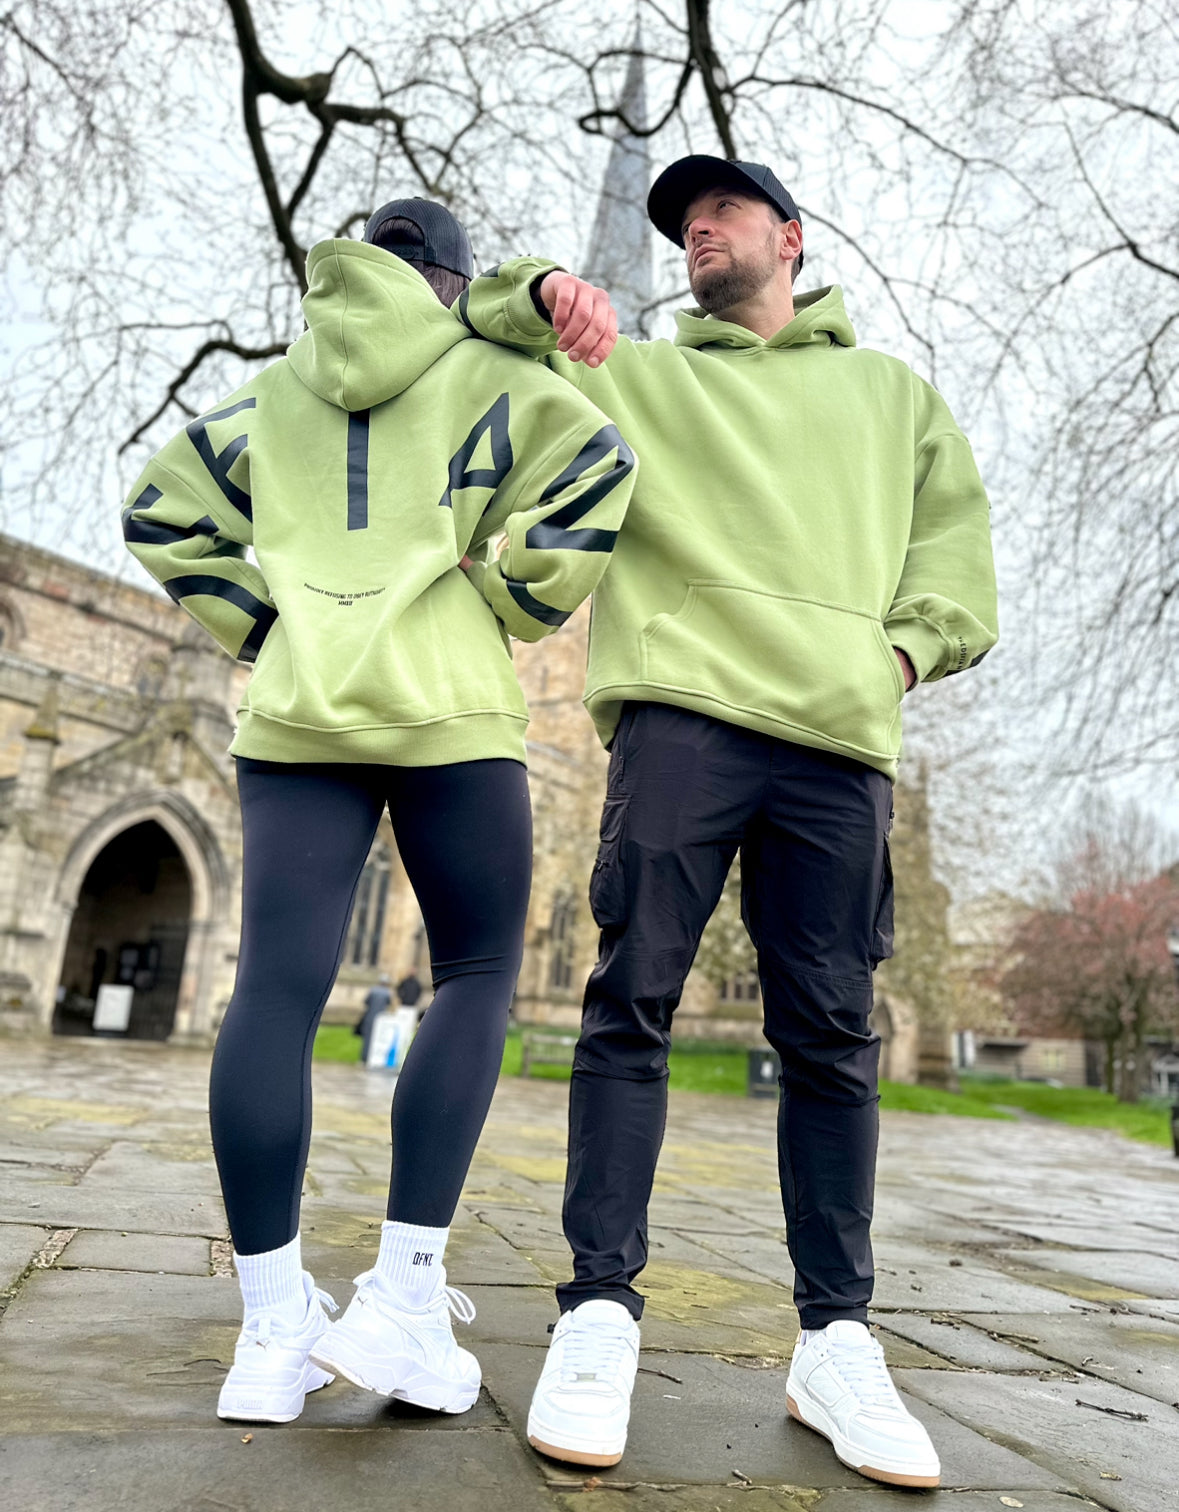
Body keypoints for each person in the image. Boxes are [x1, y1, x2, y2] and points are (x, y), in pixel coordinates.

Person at [458, 156, 998, 1486]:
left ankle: (834, 1341)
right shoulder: (641, 374)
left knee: (828, 1033)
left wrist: (895, 661)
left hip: (832, 742)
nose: (694, 225)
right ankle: (596, 1309)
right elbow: (482, 324)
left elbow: (953, 555)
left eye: (721, 208)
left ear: (789, 238)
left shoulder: (890, 398)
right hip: (682, 717)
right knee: (625, 999)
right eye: (678, 219)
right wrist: (540, 285)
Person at [122, 198, 634, 1426]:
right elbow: (601, 463)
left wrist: (271, 628)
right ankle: (403, 1300)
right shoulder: (484, 375)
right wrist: (507, 605)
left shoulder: (273, 394)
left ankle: (268, 1332)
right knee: (474, 970)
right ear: (451, 284)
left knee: (273, 992)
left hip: (299, 721)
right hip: (448, 710)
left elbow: (159, 511)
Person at [354, 973, 393, 1063]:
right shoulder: (387, 992)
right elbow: (389, 1004)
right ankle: (374, 1059)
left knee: (367, 1039)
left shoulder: (373, 990)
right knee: (376, 1039)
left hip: (369, 1016)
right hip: (380, 1018)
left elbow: (366, 1001)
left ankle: (364, 1058)